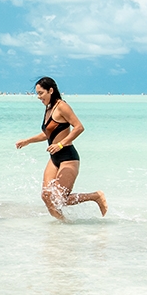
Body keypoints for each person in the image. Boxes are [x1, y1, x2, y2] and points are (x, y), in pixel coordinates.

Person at [16, 76, 107, 221]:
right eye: (37, 94)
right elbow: (48, 134)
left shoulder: (62, 106)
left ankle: (95, 196)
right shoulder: (49, 109)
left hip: (68, 158)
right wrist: (27, 141)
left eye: (41, 93)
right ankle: (63, 228)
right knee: (46, 197)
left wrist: (60, 144)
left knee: (60, 200)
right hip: (54, 159)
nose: (39, 97)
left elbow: (79, 127)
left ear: (50, 90)